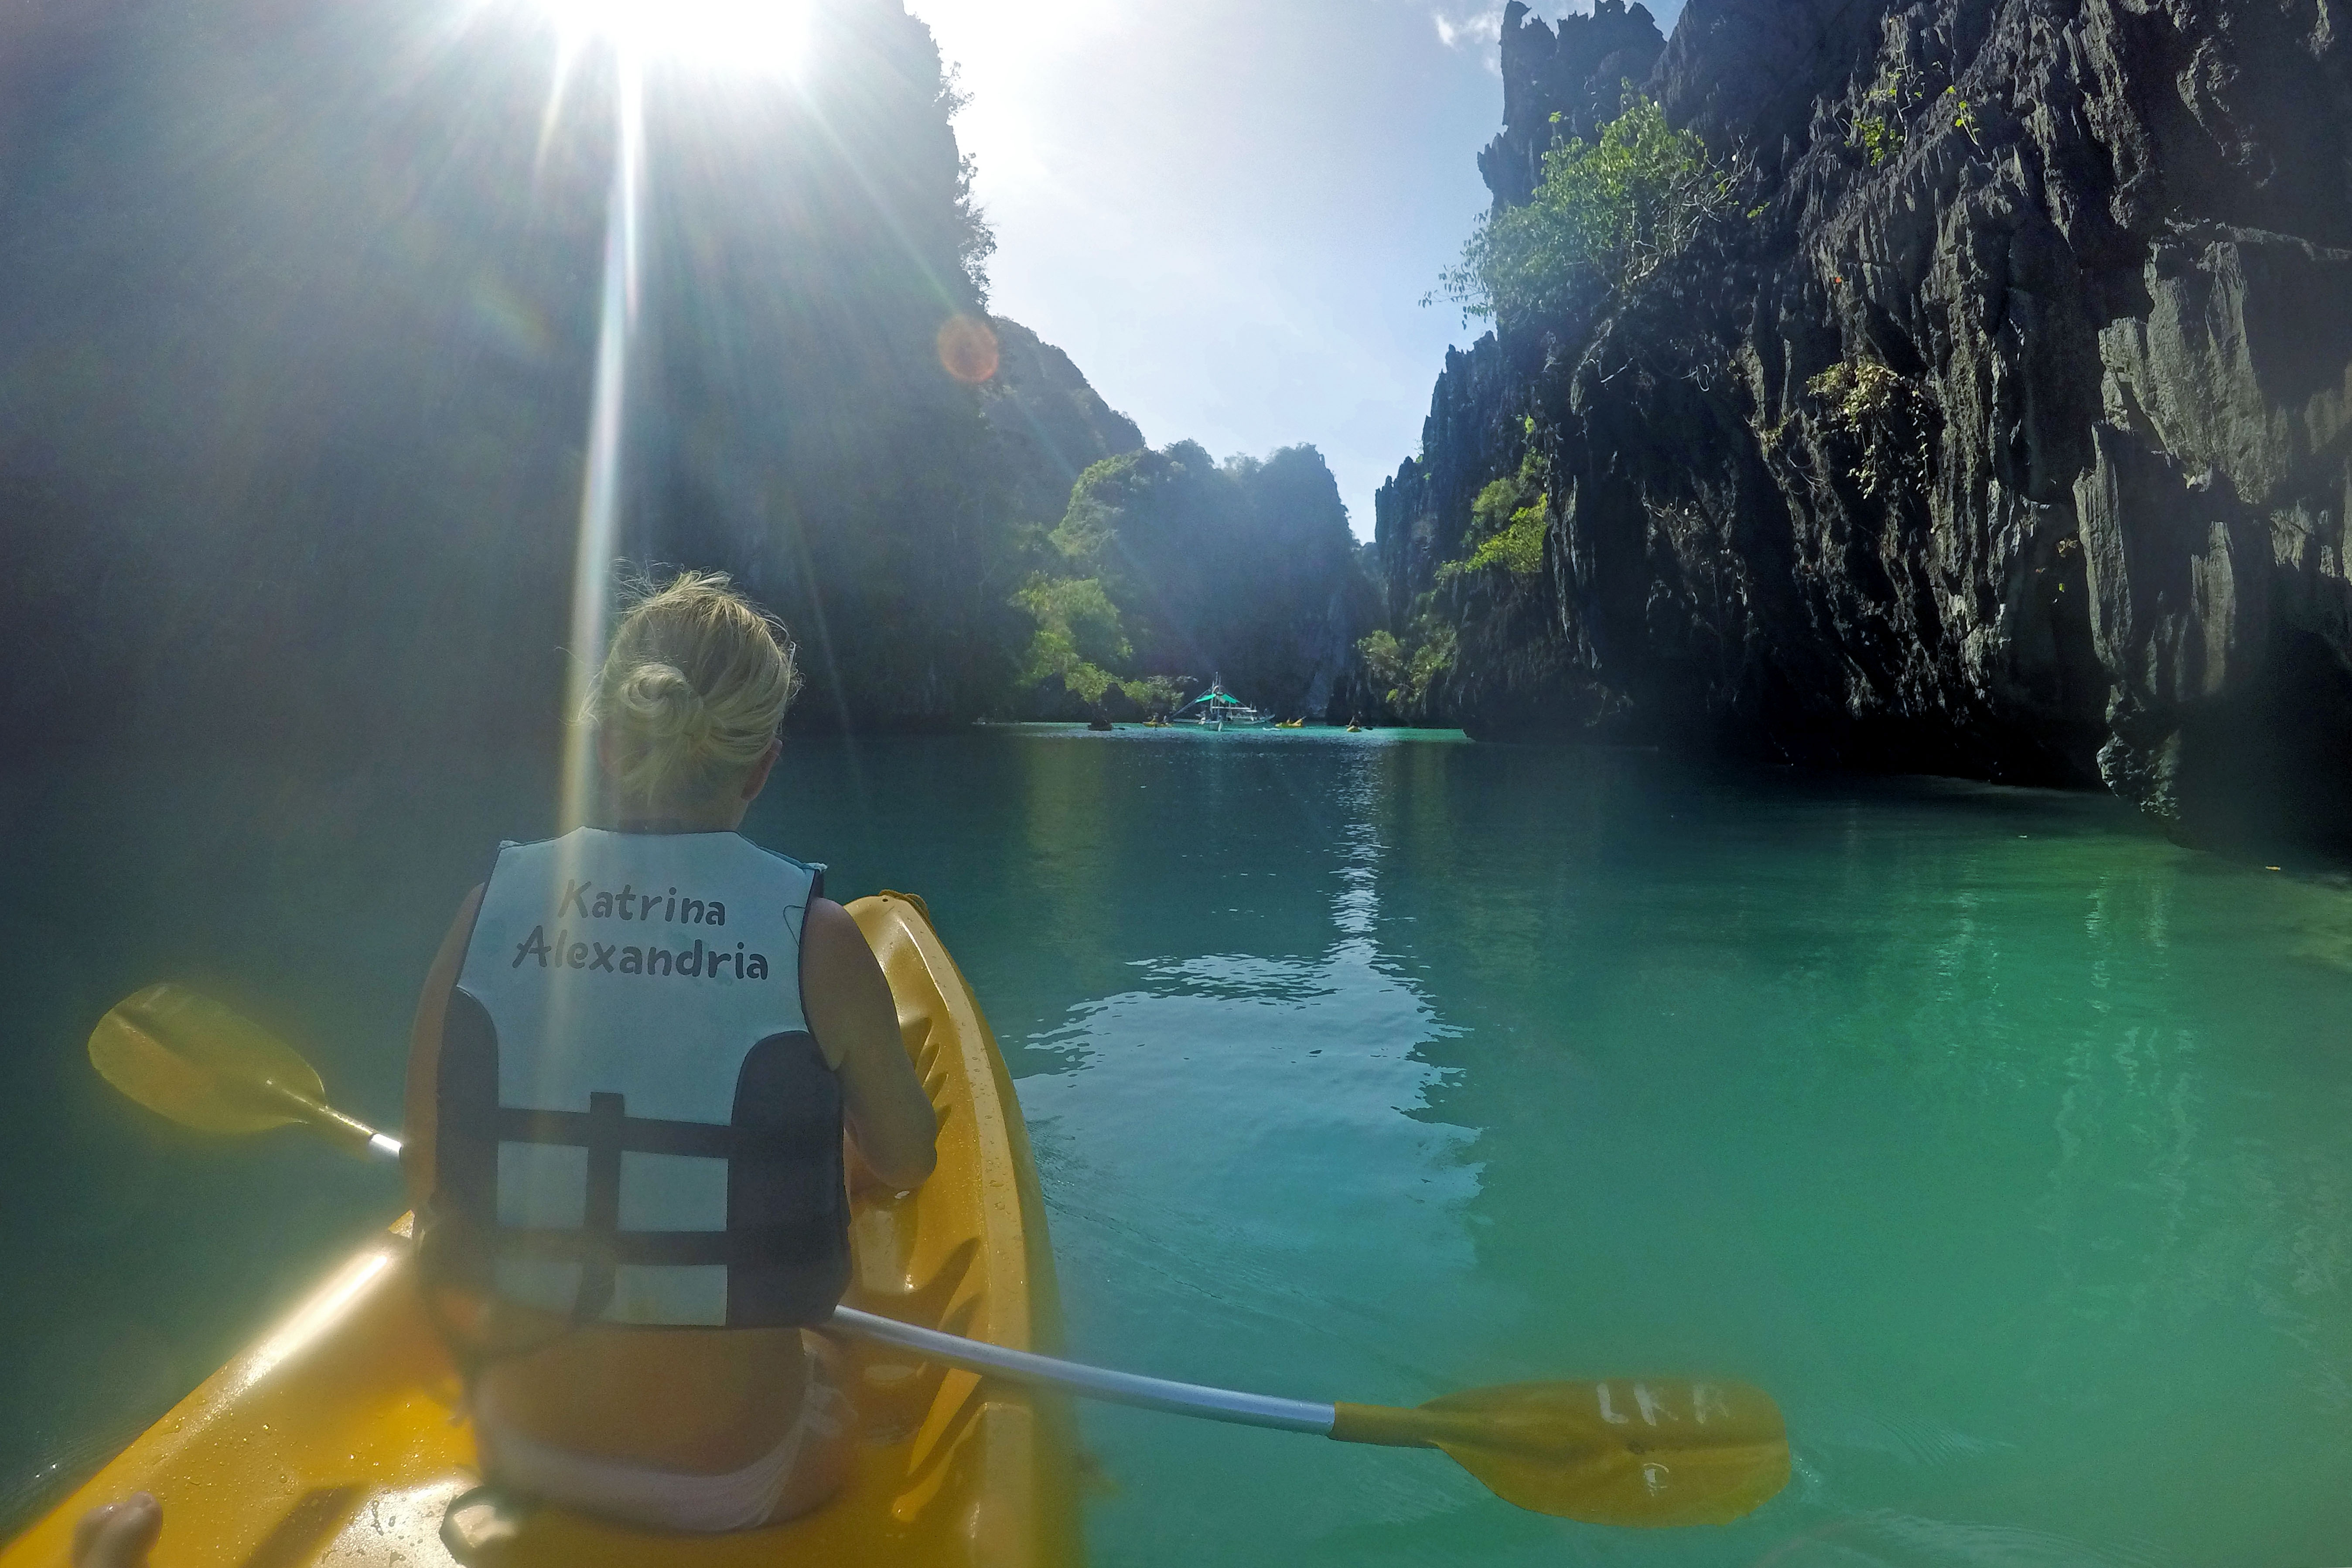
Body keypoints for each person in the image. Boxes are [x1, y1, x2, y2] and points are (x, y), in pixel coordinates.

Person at [401, 572, 938, 1532]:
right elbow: (907, 1160)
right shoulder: (816, 940)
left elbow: (431, 1176)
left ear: (608, 742)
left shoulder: (487, 910)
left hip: (515, 1442)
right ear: (763, 764)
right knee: (844, 1341)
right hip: (729, 1479)